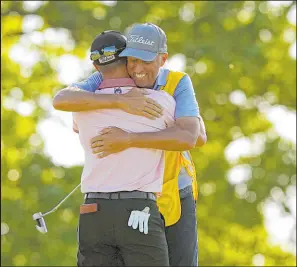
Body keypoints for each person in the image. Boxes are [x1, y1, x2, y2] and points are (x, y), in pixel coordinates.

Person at [53, 23, 207, 266]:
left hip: (175, 188)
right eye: (132, 60)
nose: (137, 69)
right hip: (136, 196)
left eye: (146, 61)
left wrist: (129, 139)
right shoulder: (106, 80)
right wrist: (120, 102)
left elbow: (195, 138)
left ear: (162, 59)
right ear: (123, 58)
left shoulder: (177, 83)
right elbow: (62, 99)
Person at [72, 30, 173, 266]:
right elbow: (194, 135)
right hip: (138, 209)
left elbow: (77, 127)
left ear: (97, 68)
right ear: (129, 61)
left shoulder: (80, 109)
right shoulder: (161, 102)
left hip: (93, 211)